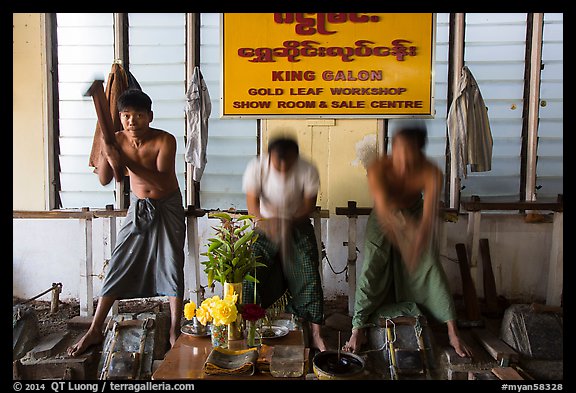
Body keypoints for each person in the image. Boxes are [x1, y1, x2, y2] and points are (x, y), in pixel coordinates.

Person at [68, 89, 185, 357]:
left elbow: (160, 181)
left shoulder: (165, 140)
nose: (132, 121)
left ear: (150, 117)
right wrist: (106, 150)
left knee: (171, 263)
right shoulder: (115, 140)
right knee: (119, 262)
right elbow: (106, 179)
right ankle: (95, 329)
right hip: (138, 207)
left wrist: (126, 160)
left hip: (168, 204)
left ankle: (174, 329)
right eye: (126, 116)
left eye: (139, 116)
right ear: (121, 118)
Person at [343, 124, 472, 358]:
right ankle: (357, 329)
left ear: (419, 152)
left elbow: (427, 219)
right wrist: (403, 239)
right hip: (383, 216)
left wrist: (416, 245)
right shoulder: (379, 169)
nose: (402, 157)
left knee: (429, 264)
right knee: (372, 266)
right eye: (398, 150)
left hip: (414, 214)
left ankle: (453, 333)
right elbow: (385, 209)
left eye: (409, 152)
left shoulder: (431, 173)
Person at [242, 136, 327, 352]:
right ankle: (250, 329)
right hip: (265, 225)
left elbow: (308, 204)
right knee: (251, 273)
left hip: (296, 223)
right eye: (276, 163)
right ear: (269, 157)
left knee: (308, 272)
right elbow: (253, 205)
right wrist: (268, 224)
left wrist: (288, 222)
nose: (281, 168)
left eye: (287, 163)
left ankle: (316, 334)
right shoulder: (257, 167)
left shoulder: (307, 169)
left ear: (295, 159)